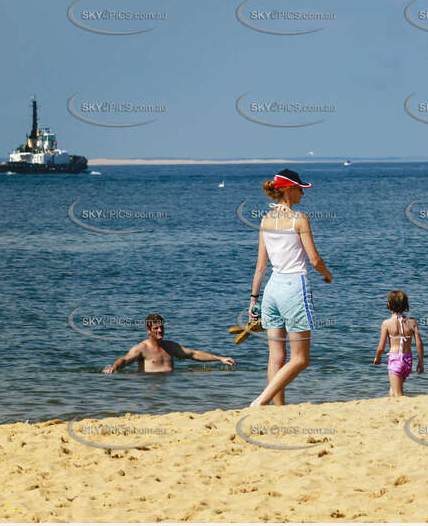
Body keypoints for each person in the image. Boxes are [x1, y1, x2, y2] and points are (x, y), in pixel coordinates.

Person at [248, 169, 333, 407]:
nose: (302, 194)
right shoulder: (299, 219)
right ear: (288, 190)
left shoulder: (265, 220)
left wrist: (253, 300)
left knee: (276, 357)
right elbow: (314, 260)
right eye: (299, 189)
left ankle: (278, 410)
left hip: (271, 290)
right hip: (294, 288)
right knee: (301, 359)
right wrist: (328, 275)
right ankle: (261, 401)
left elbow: (260, 266)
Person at [103, 313, 235, 373]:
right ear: (148, 330)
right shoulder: (141, 348)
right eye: (156, 328)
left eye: (162, 327)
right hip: (150, 388)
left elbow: (194, 354)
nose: (160, 331)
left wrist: (220, 359)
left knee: (203, 372)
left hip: (171, 386)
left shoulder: (171, 347)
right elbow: (124, 360)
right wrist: (113, 368)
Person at [373, 290, 424, 397]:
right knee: (393, 389)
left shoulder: (386, 323)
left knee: (398, 395)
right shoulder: (412, 322)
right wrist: (420, 362)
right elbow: (419, 344)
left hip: (395, 360)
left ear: (389, 305)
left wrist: (377, 358)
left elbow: (381, 346)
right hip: (408, 360)